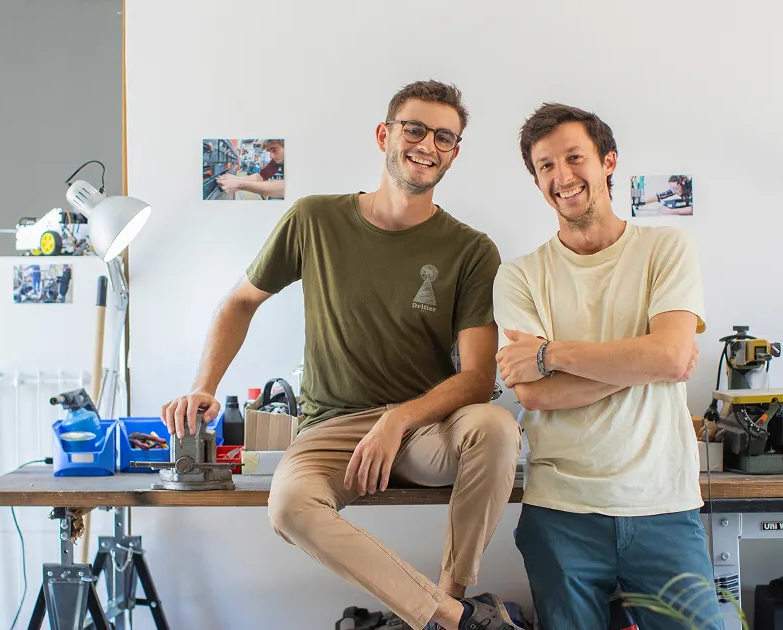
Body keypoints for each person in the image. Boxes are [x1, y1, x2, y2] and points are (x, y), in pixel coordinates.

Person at [161, 80, 523, 630]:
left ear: (454, 152)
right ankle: (452, 620)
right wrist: (205, 385)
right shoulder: (314, 220)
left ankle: (454, 595)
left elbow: (477, 379)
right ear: (385, 134)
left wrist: (399, 419)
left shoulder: (472, 249)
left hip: (424, 432)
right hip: (330, 430)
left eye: (444, 137)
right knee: (288, 508)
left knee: (496, 429)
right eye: (415, 129)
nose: (428, 144)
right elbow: (239, 302)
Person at [492, 103, 720, 630]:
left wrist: (551, 355)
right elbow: (534, 395)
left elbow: (667, 356)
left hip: (663, 504)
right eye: (546, 166)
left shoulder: (666, 248)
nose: (562, 176)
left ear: (608, 161)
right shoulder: (520, 275)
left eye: (575, 158)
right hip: (560, 511)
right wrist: (645, 361)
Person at [218, 139, 286, 199]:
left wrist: (239, 184)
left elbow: (286, 187)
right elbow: (261, 176)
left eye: (274, 150)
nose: (271, 156)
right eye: (269, 151)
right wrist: (234, 178)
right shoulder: (276, 161)